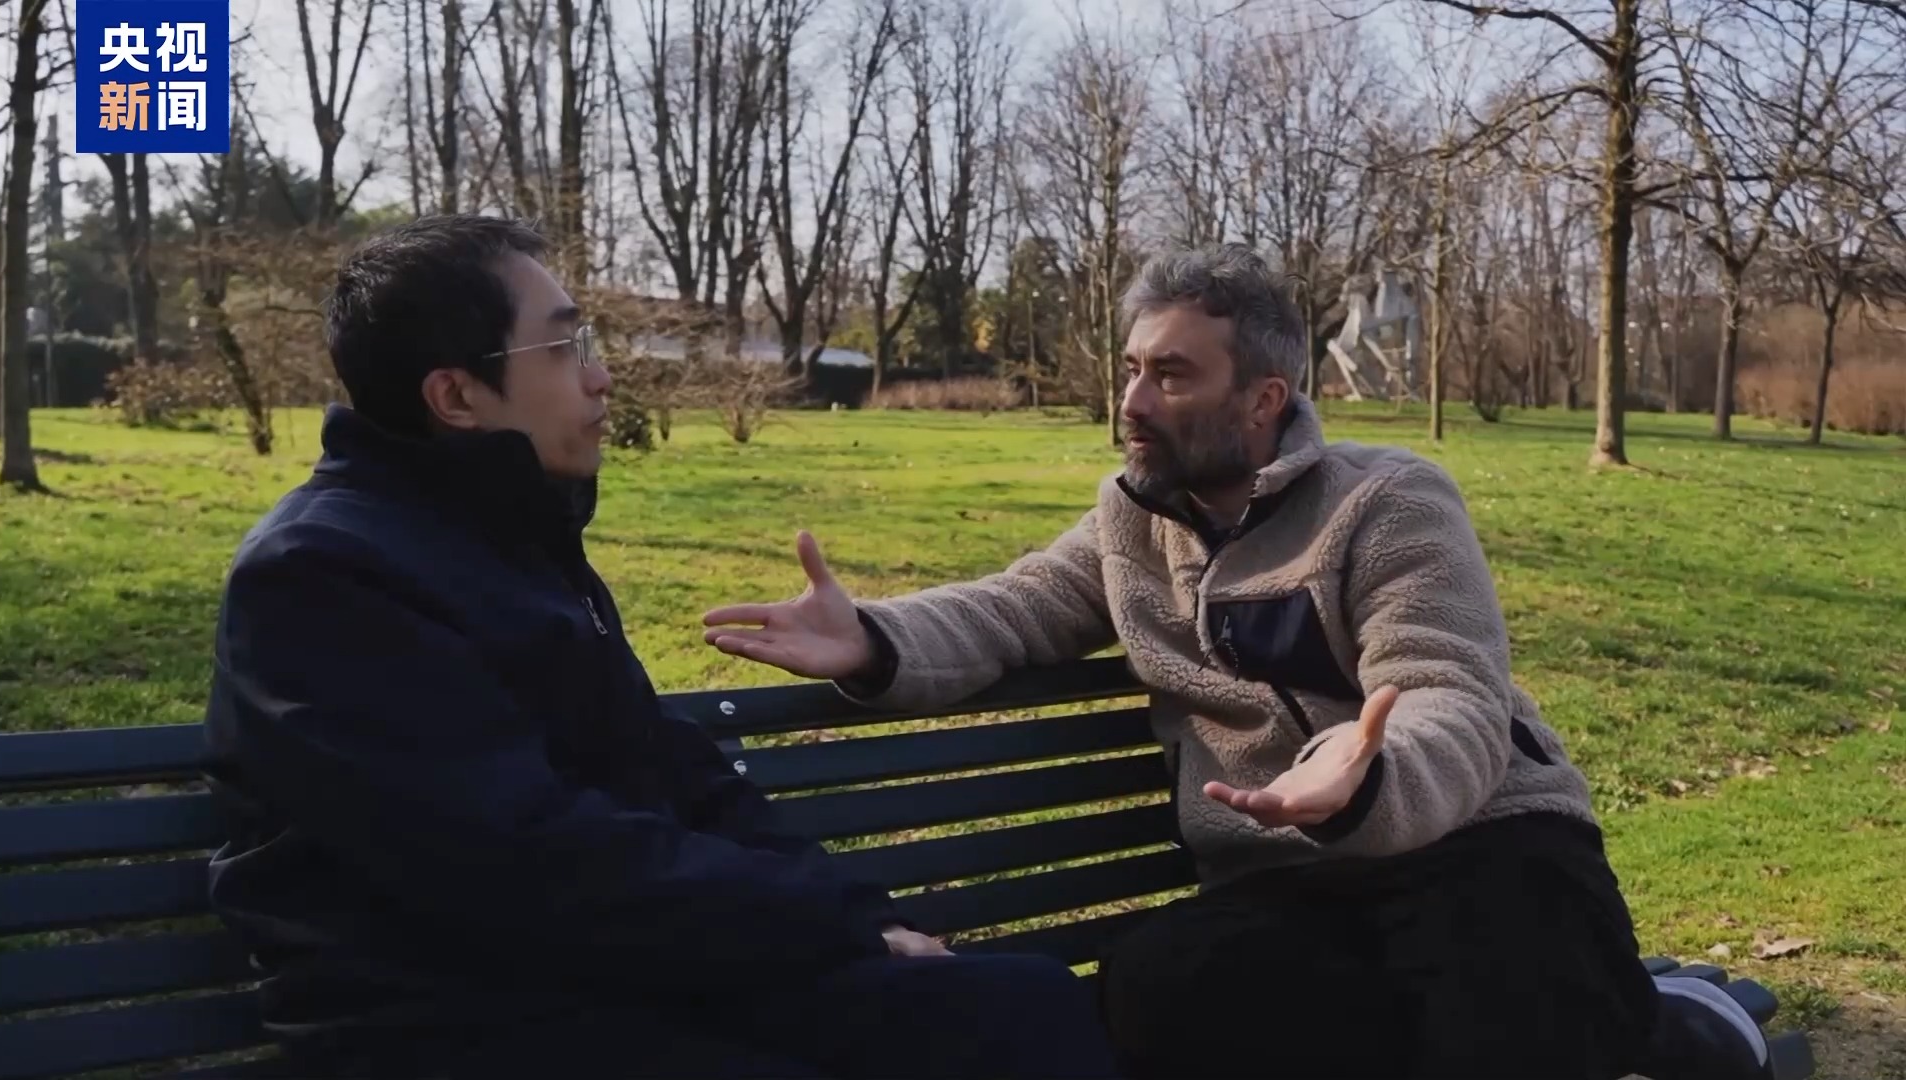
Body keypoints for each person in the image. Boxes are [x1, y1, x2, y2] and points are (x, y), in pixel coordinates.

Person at [703, 243, 1778, 1080]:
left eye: (1171, 375)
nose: (1131, 403)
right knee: (1159, 988)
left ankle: (1658, 1024)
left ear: (1263, 399)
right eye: (1133, 369)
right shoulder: (1132, 522)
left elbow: (1447, 686)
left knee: (1492, 1006)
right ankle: (1606, 1012)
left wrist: (1367, 775)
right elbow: (1017, 608)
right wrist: (873, 637)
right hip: (1291, 881)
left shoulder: (1387, 501)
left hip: (1475, 841)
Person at [201, 214, 1120, 1080]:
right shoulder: (322, 576)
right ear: (456, 395)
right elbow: (524, 860)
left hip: (605, 978)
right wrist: (820, 929)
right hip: (449, 1021)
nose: (602, 378)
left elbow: (670, 771)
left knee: (1023, 1007)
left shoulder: (513, 544)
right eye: (564, 349)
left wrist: (854, 918)